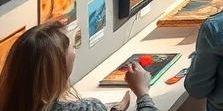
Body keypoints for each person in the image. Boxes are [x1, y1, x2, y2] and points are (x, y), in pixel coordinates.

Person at [0, 21, 155, 111]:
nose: (75, 53)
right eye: (72, 48)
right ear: (60, 64)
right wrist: (142, 93)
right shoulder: (87, 108)